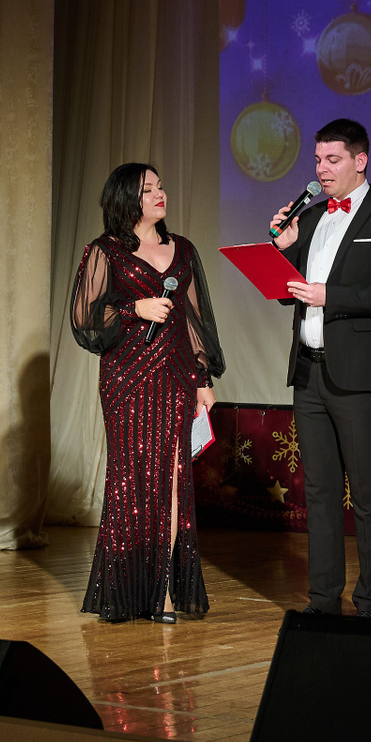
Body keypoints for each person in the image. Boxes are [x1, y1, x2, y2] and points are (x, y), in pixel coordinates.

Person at [270, 119, 371, 618]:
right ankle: (322, 601)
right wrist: (284, 250)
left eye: (332, 159)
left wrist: (331, 295)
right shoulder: (311, 217)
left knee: (369, 493)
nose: (322, 169)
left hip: (360, 377)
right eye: (317, 160)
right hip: (309, 372)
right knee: (319, 492)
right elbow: (288, 292)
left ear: (361, 160)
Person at [70, 163, 225, 624]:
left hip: (175, 375)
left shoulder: (184, 249)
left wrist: (203, 379)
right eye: (148, 190)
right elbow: (84, 319)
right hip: (127, 377)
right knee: (130, 481)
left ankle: (164, 593)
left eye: (160, 187)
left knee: (173, 480)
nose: (160, 194)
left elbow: (194, 321)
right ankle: (126, 590)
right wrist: (133, 308)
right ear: (125, 199)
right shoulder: (105, 251)